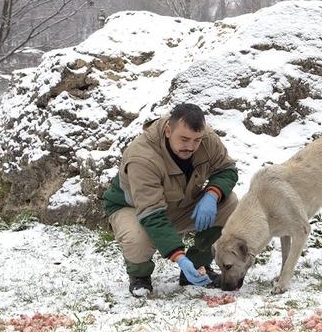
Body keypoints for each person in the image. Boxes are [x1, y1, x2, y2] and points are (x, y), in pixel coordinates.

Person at [102, 103, 239, 297]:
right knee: (137, 236)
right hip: (134, 208)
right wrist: (179, 256)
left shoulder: (206, 138)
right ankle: (140, 276)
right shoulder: (142, 156)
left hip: (180, 204)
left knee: (231, 204)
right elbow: (152, 213)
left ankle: (198, 265)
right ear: (168, 130)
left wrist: (212, 194)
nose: (191, 146)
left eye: (196, 140)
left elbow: (228, 169)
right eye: (184, 139)